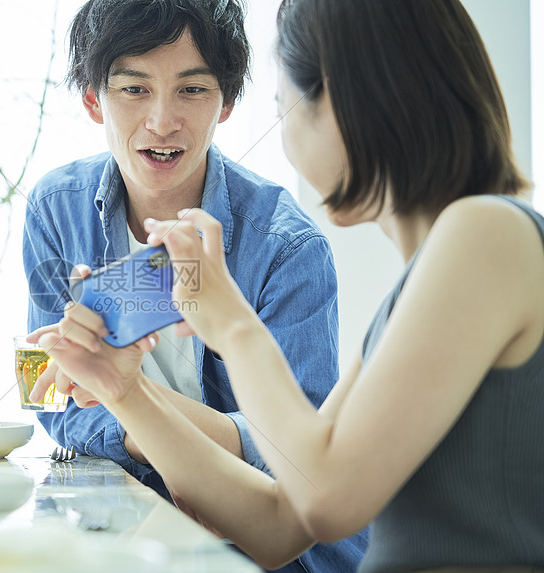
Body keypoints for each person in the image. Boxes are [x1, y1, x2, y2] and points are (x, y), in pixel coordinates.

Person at [34, 0, 544, 571]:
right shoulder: (434, 273)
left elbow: (324, 499)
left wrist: (229, 321)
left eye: (285, 106)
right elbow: (279, 527)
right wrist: (125, 391)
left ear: (351, 104)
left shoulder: (487, 232)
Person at [21, 0, 368, 570]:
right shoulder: (56, 207)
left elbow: (293, 449)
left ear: (227, 103)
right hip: (125, 522)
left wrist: (126, 403)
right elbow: (47, 389)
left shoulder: (286, 245)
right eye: (134, 89)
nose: (161, 121)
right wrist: (140, 420)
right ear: (92, 99)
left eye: (191, 90)